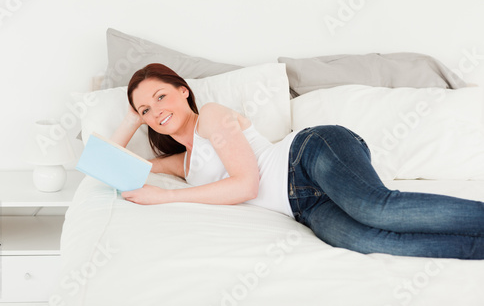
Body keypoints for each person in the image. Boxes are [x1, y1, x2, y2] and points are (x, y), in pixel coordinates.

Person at [111, 63, 484, 260]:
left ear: (183, 91)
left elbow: (246, 185)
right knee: (367, 240)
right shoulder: (183, 163)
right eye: (146, 108)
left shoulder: (209, 116)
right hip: (303, 206)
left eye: (161, 96)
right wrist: (130, 116)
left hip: (309, 154)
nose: (156, 110)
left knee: (378, 210)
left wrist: (164, 198)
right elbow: (112, 161)